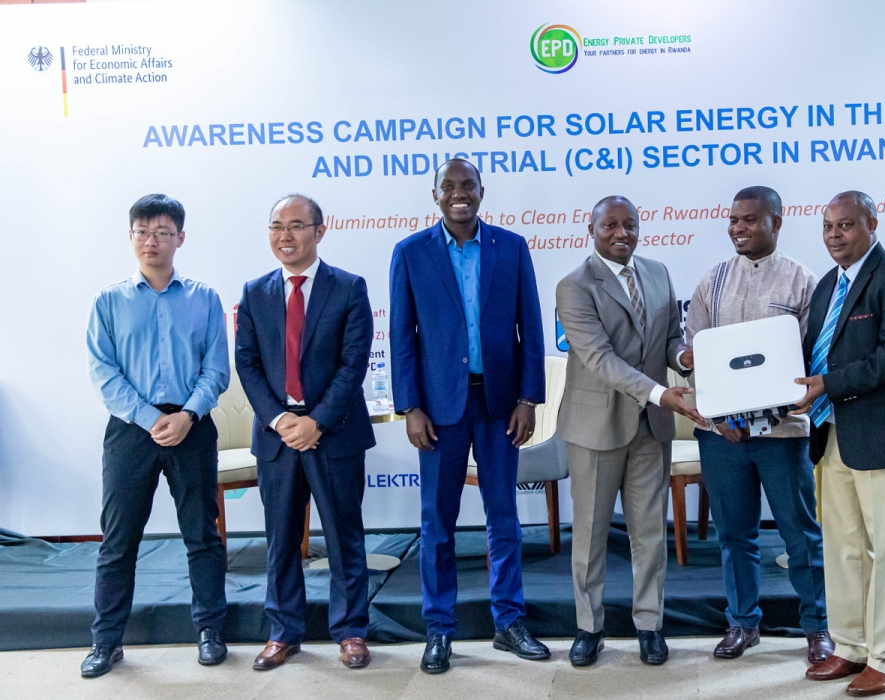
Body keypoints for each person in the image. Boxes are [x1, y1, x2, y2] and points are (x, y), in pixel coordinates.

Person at [389, 158, 548, 674]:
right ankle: (439, 629)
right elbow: (402, 337)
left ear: (483, 191)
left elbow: (531, 328)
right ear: (434, 194)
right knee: (439, 522)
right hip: (439, 409)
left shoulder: (512, 247)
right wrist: (410, 406)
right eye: (450, 187)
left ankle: (509, 621)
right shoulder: (410, 253)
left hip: (501, 404)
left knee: (504, 517)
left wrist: (529, 398)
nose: (460, 194)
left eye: (469, 186)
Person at [83, 194, 230, 678]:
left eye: (163, 232)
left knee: (202, 534)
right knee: (118, 540)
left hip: (191, 427)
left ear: (180, 239)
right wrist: (149, 418)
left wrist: (187, 415)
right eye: (143, 232)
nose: (152, 241)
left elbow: (216, 369)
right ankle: (107, 641)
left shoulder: (204, 297)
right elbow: (104, 373)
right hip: (131, 431)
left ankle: (211, 630)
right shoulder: (109, 300)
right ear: (131, 237)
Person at [684, 186, 832, 664]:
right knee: (735, 535)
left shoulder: (803, 282)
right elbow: (696, 356)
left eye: (749, 219)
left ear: (776, 222)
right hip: (721, 434)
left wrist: (782, 405)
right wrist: (717, 414)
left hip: (783, 434)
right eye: (733, 219)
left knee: (800, 534)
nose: (738, 227)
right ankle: (742, 623)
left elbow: (814, 357)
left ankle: (817, 628)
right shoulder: (713, 281)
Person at [555, 195, 704, 668]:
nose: (622, 234)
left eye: (630, 225)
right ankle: (589, 627)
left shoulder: (658, 273)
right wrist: (663, 393)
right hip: (595, 427)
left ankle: (649, 625)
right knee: (591, 535)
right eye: (611, 226)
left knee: (649, 535)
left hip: (650, 428)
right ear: (592, 229)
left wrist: (683, 358)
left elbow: (670, 338)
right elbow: (600, 359)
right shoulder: (574, 286)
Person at [794, 191, 885, 697]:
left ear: (872, 223)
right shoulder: (828, 283)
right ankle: (850, 647)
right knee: (844, 549)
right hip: (832, 436)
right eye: (828, 226)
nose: (834, 235)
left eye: (846, 225)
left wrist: (825, 386)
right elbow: (817, 354)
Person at [235, 195, 376, 671]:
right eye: (277, 226)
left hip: (333, 432)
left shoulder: (349, 288)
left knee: (344, 536)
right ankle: (283, 632)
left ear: (320, 230)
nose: (285, 236)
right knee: (280, 539)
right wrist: (280, 420)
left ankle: (352, 630)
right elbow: (248, 365)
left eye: (296, 225)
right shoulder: (255, 293)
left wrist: (315, 421)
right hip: (277, 437)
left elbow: (353, 363)